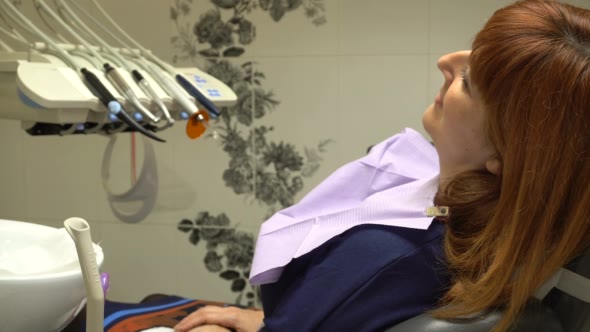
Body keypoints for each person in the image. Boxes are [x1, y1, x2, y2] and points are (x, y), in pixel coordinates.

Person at [84, 1, 590, 331]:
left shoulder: (394, 255)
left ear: (504, 156)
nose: (446, 61)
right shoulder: (459, 230)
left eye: (470, 80)